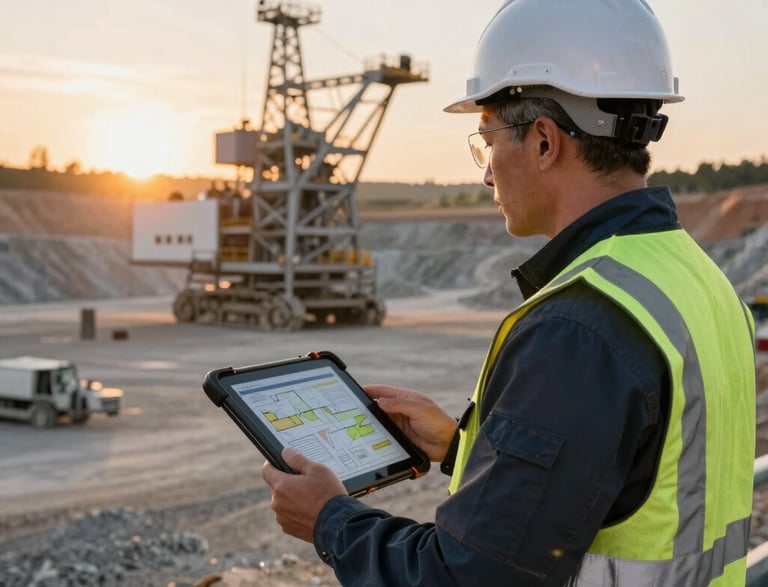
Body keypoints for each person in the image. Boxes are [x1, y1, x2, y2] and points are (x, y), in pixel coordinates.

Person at [262, 0, 757, 585]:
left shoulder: (580, 327)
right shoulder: (693, 277)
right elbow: (629, 472)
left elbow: (467, 576)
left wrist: (330, 521)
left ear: (544, 142)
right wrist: (464, 444)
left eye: (486, 140)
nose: (487, 172)